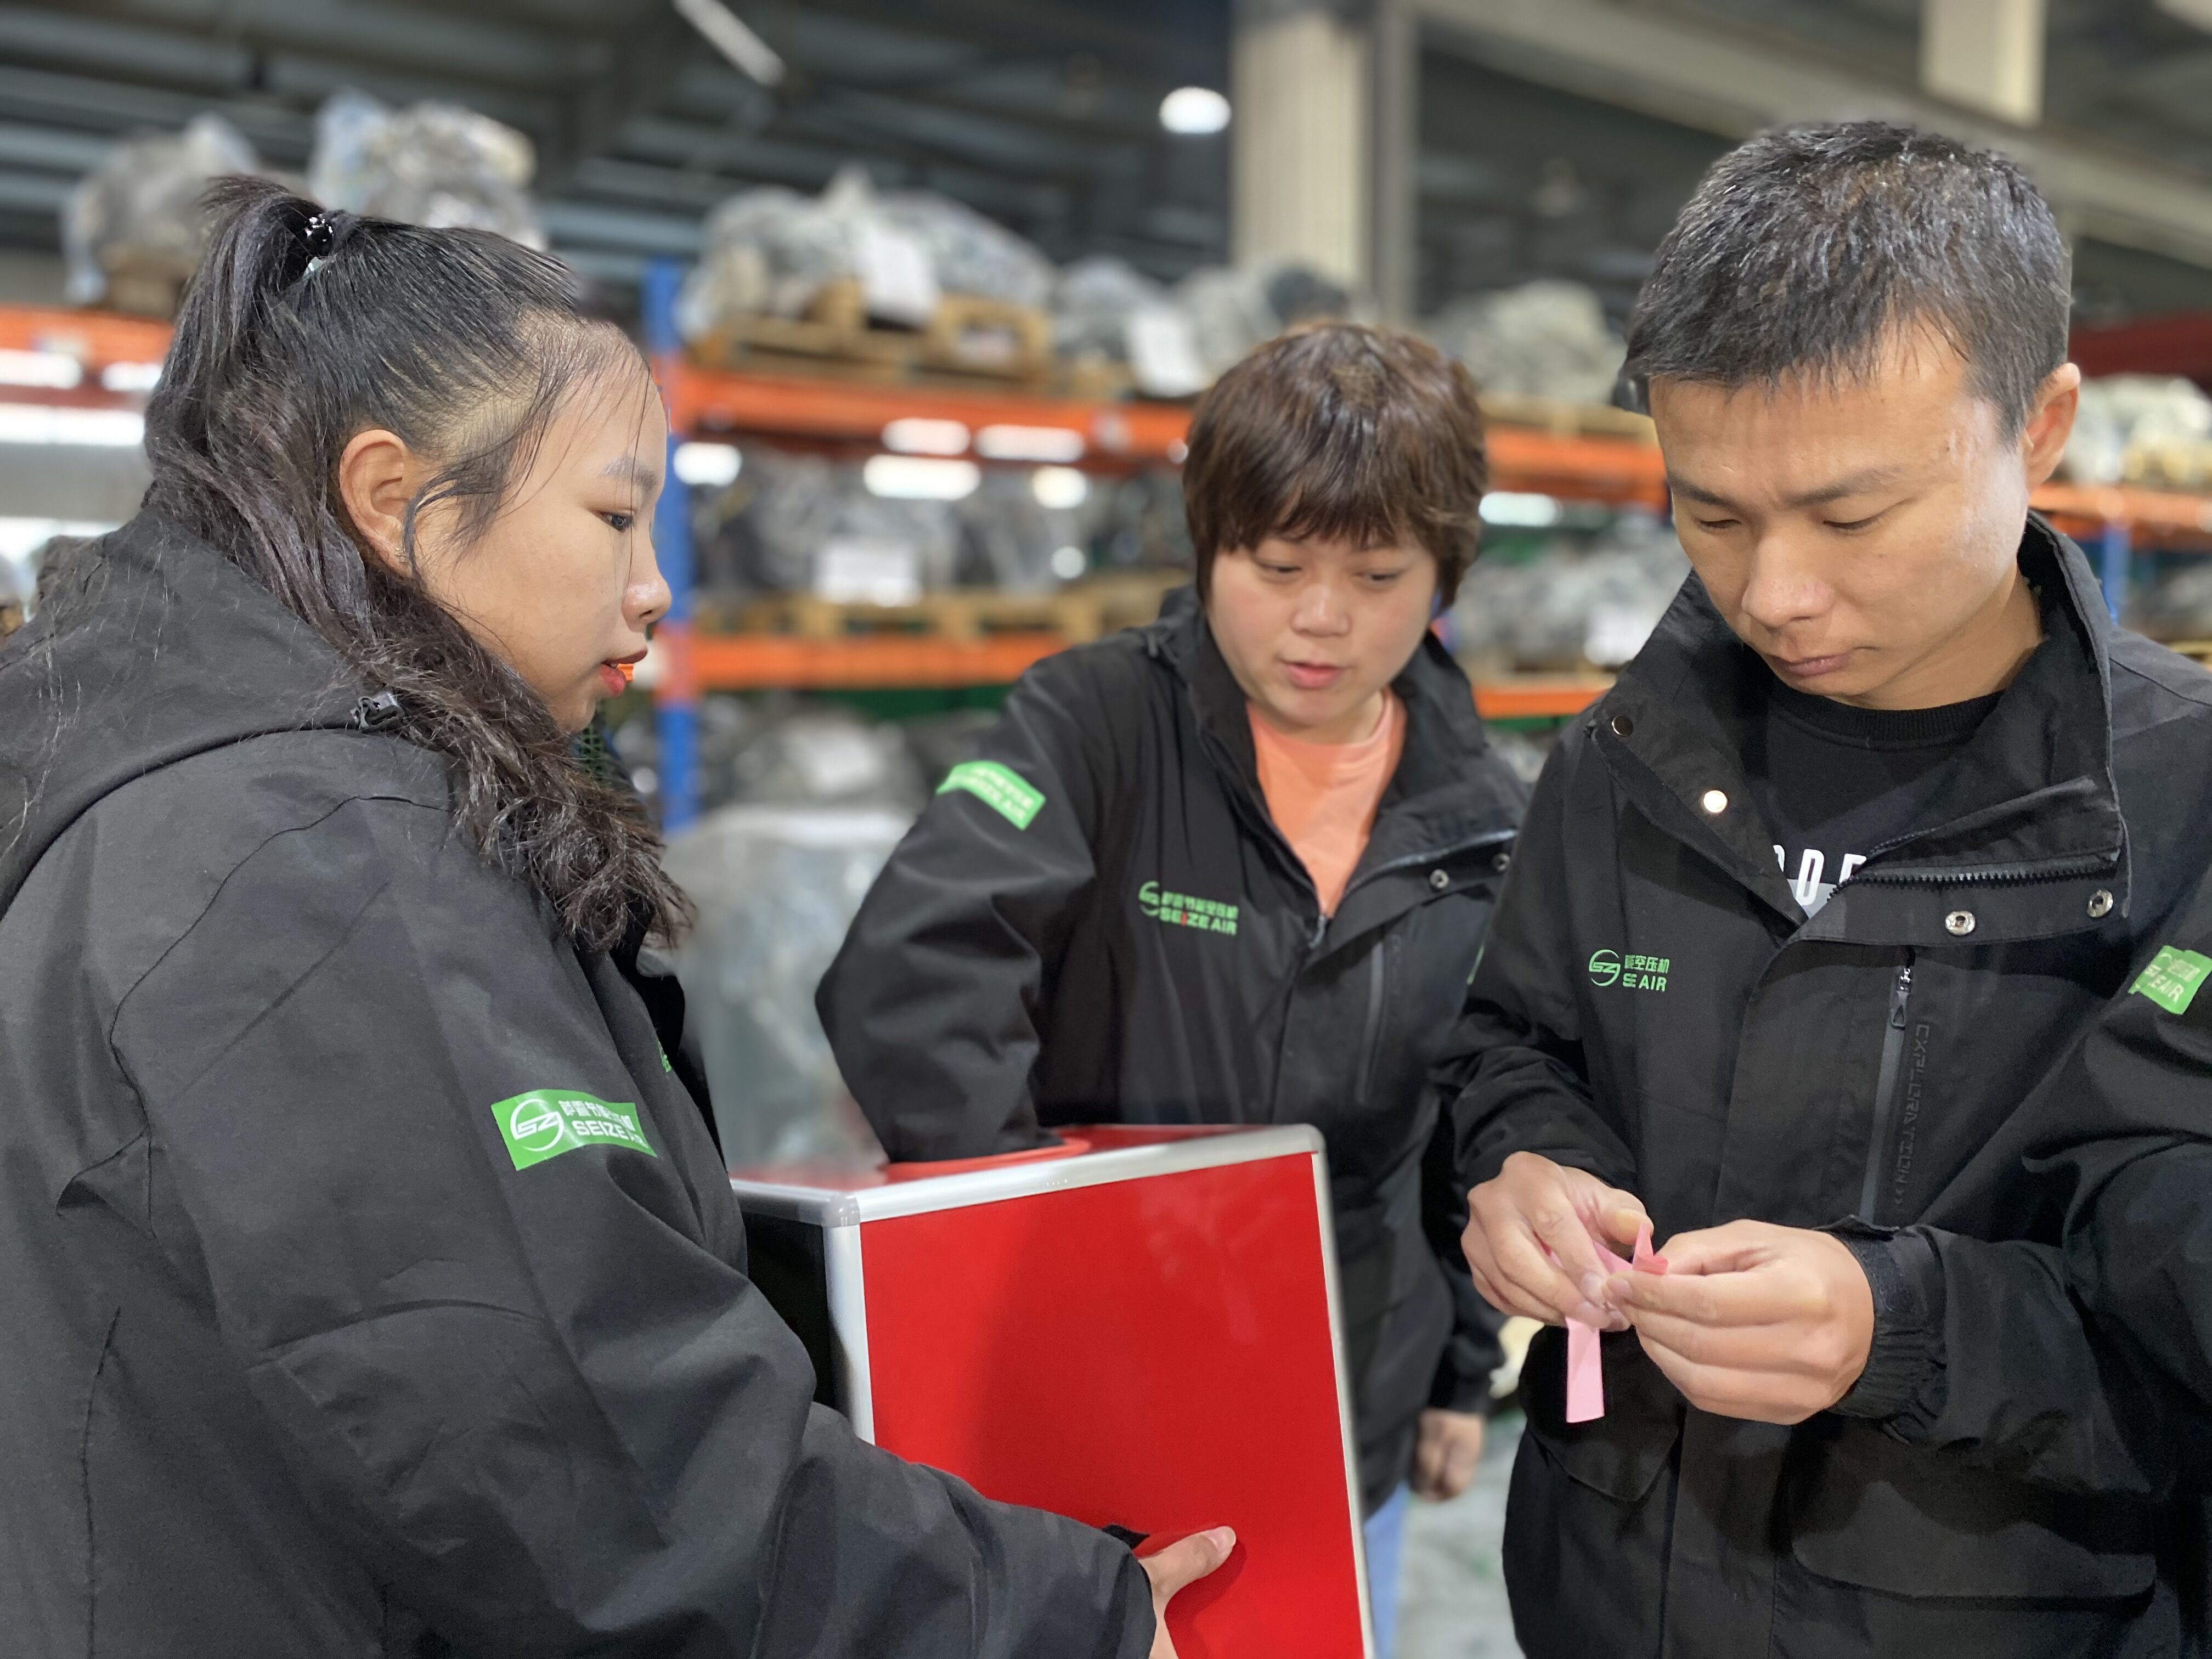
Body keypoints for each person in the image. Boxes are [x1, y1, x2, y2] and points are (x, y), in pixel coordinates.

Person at [0, 179, 1228, 1657]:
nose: (653, 591)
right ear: (392, 500)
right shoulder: (318, 863)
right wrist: (1055, 1618)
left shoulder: (184, 782)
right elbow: (587, 1459)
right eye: (612, 516)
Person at [1440, 121, 2212, 1658]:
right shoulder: (1625, 757)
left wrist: (1902, 1329)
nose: (1773, 595)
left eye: (1851, 517)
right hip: (1613, 1593)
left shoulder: (2182, 809)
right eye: (1711, 513)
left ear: (2042, 428)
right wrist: (1526, 1167)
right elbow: (1512, 1045)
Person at [816, 322, 1526, 1656]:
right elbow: (915, 970)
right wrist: (1035, 1255)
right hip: (1100, 1377)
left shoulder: (1486, 818)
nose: (1323, 618)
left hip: (1347, 1387)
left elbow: (1478, 1108)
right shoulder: (1092, 724)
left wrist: (1461, 1370)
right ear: (1209, 550)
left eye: (1378, 575)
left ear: (1444, 575)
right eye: (1279, 567)